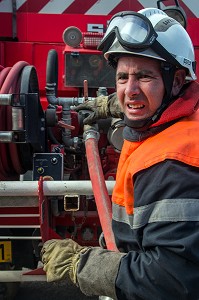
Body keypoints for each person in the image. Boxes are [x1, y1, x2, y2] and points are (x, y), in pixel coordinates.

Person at [41, 8, 199, 300]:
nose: (130, 89)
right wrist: (109, 105)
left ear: (177, 81)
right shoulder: (175, 117)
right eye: (122, 77)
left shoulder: (174, 164)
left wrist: (80, 264)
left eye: (144, 76)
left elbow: (171, 280)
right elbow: (140, 96)